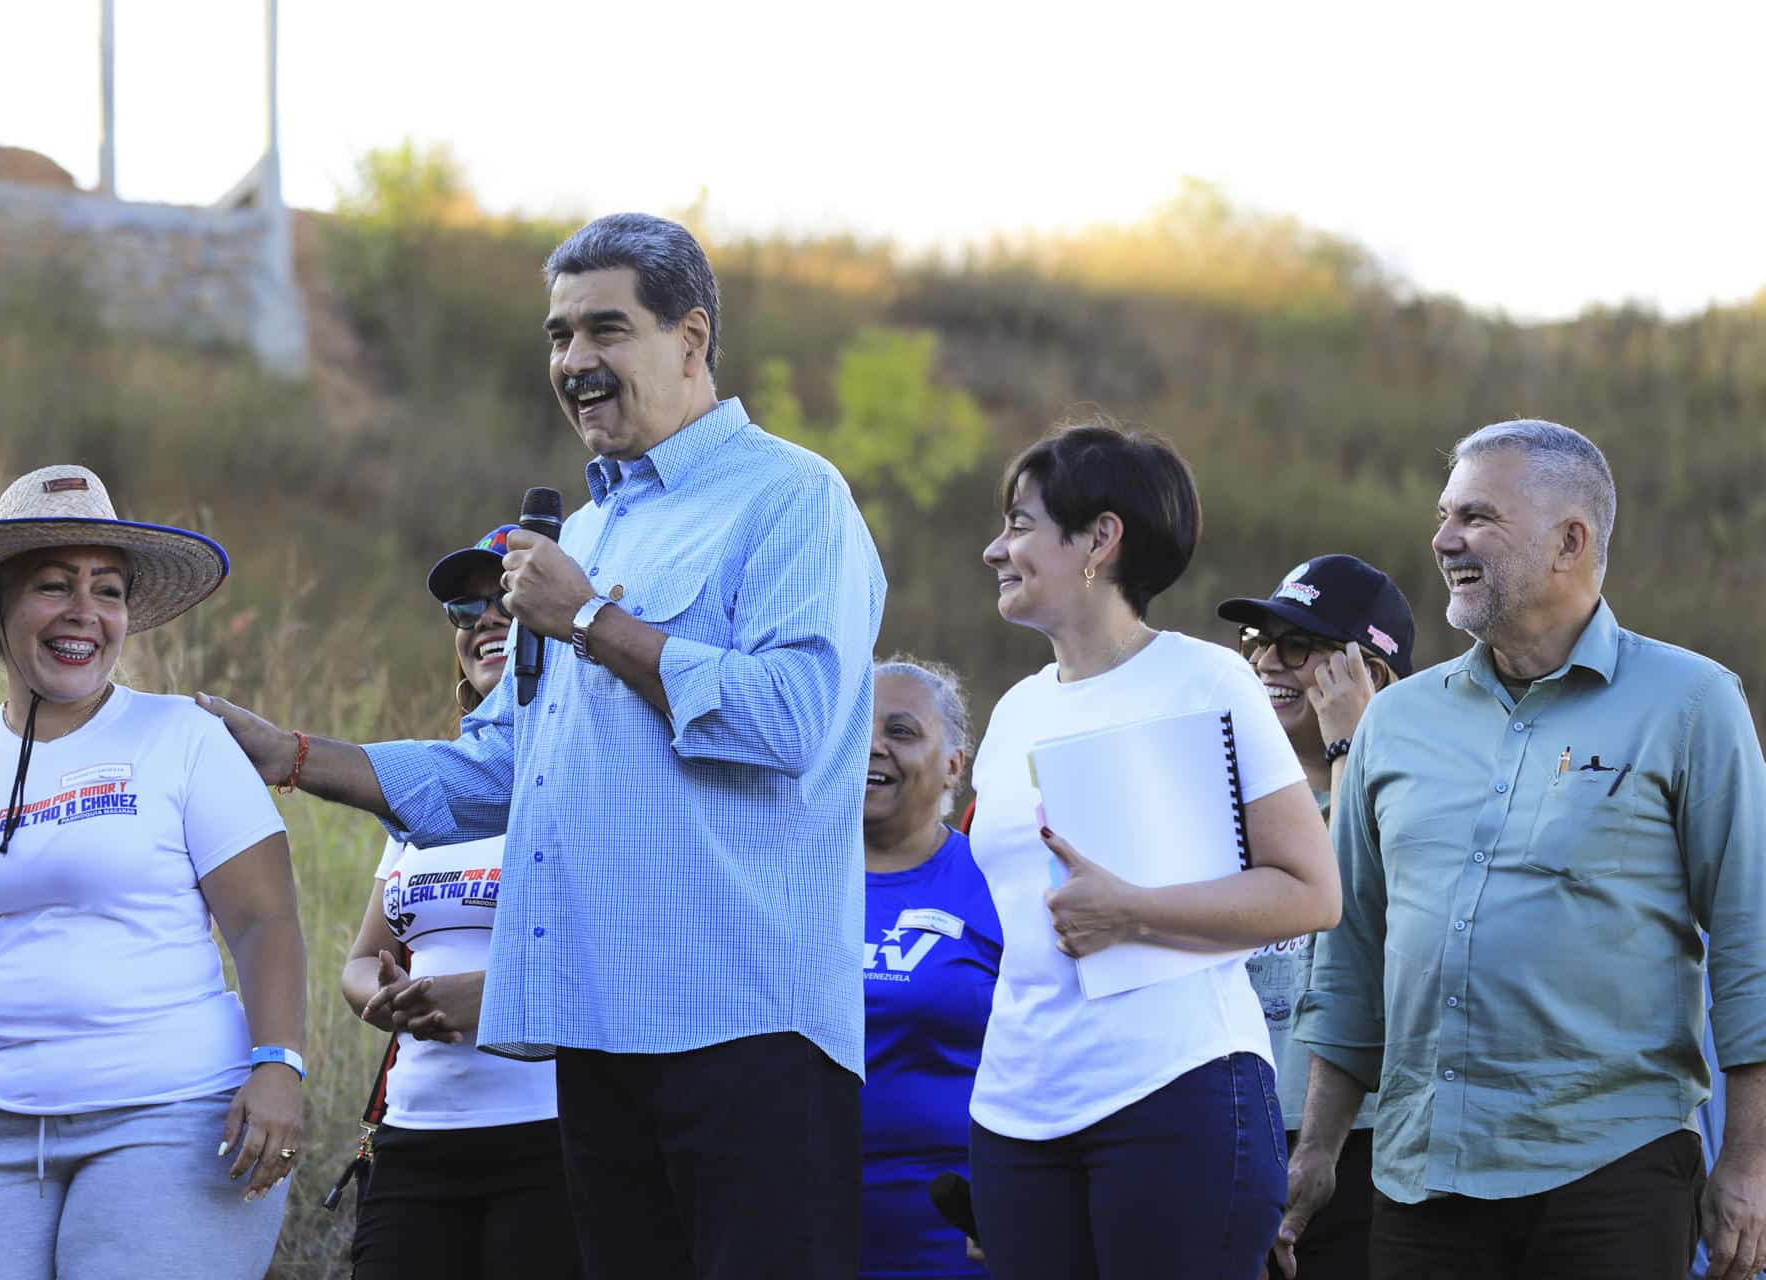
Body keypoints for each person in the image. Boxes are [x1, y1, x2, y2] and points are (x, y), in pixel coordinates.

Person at [198, 212, 886, 1280]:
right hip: (600, 1035)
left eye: (605, 330)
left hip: (749, 1032)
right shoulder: (595, 533)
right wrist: (290, 753)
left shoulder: (792, 497)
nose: (575, 363)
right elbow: (506, 767)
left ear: (693, 339)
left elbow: (792, 719)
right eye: (559, 336)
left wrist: (593, 622)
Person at [1294, 419, 1766, 1280]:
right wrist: (1318, 1150)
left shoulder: (1692, 704)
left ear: (1569, 541)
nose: (1444, 541)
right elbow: (1352, 954)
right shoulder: (1395, 723)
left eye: (1477, 518)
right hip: (1420, 1179)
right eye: (1444, 516)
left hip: (1611, 1174)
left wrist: (1748, 1162)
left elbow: (1751, 944)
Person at [0, 464, 306, 1277]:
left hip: (173, 1115)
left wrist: (278, 1063)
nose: (84, 614)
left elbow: (264, 920)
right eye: (54, 586)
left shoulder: (184, 740)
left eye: (109, 591)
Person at [965, 421, 1341, 1280]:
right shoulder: (1016, 710)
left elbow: (1310, 893)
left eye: (1020, 525)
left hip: (1174, 1094)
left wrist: (1130, 910)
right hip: (1018, 1112)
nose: (995, 549)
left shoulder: (1206, 681)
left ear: (1100, 538)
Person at [339, 525, 580, 1278]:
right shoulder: (423, 797)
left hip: (551, 1134)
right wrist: (380, 995)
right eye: (468, 607)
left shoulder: (592, 785)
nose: (485, 618)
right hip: (414, 1131)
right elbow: (359, 961)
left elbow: (629, 955)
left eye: (509, 597)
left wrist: (495, 995)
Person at [1216, 554, 1417, 1280]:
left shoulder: (1417, 800)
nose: (1268, 660)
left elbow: (1347, 909)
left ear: (1373, 674)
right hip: (1235, 1131)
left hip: (1358, 1144)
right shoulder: (1228, 804)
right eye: (1258, 643)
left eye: (1297, 646)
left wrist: (1351, 750)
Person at [860, 657, 999, 1280]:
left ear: (954, 764)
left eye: (901, 731)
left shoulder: (998, 886)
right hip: (797, 1221)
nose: (873, 747)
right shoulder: (784, 879)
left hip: (963, 1230)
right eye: (857, 726)